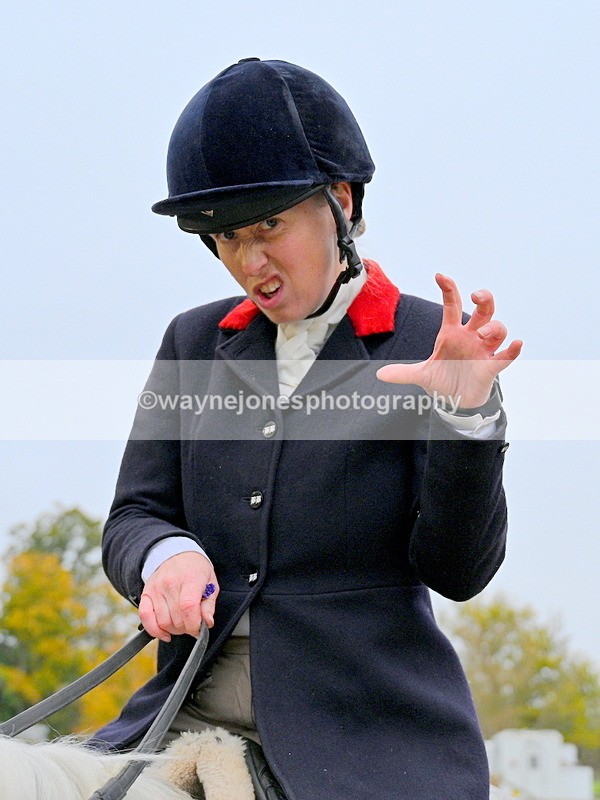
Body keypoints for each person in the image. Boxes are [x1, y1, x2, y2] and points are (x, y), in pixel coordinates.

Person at [94, 58, 522, 800]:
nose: (250, 260)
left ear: (341, 202)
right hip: (182, 715)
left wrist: (464, 415)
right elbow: (135, 514)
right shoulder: (193, 342)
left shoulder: (426, 338)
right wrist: (165, 556)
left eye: (269, 224)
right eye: (226, 237)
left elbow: (460, 572)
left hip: (366, 738)